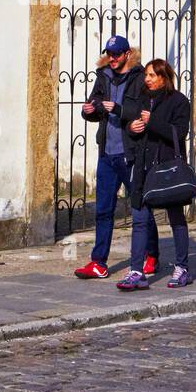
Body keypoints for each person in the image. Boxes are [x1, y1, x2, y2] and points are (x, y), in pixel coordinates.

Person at [73, 35, 155, 279]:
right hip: (107, 152)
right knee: (103, 209)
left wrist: (119, 110)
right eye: (109, 54)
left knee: (140, 206)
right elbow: (96, 105)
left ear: (127, 54)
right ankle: (99, 262)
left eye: (116, 54)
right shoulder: (103, 76)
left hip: (130, 153)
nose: (112, 59)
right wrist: (88, 111)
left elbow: (146, 110)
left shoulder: (140, 78)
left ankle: (151, 255)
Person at [116, 59, 193, 290]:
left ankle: (182, 268)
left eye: (152, 75)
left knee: (176, 219)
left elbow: (179, 133)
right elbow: (130, 125)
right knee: (139, 220)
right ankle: (136, 271)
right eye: (146, 75)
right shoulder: (142, 99)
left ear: (164, 76)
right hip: (143, 167)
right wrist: (132, 128)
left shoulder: (179, 101)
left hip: (168, 168)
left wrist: (152, 123)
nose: (147, 79)